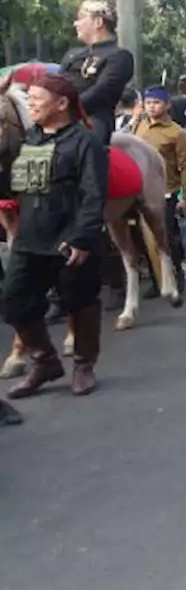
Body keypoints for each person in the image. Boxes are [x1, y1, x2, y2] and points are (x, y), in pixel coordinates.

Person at [2, 74, 108, 398]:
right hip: (30, 239)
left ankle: (83, 365)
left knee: (81, 303)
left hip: (69, 241)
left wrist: (81, 238)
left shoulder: (86, 142)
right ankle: (44, 360)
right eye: (28, 98)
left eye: (37, 98)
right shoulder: (27, 140)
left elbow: (93, 196)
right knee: (13, 300)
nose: (30, 103)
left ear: (62, 104)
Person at [132, 87, 186, 295]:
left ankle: (176, 275)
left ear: (167, 105)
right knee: (143, 238)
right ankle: (156, 279)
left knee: (167, 236)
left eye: (156, 103)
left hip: (166, 191)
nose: (151, 107)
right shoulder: (139, 126)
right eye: (148, 103)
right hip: (139, 190)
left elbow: (184, 166)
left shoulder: (177, 133)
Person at [59, 0, 135, 146]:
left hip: (90, 120)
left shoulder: (119, 56)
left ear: (98, 22)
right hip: (58, 115)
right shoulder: (72, 54)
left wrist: (68, 108)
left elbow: (102, 92)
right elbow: (56, 84)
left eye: (81, 18)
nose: (76, 23)